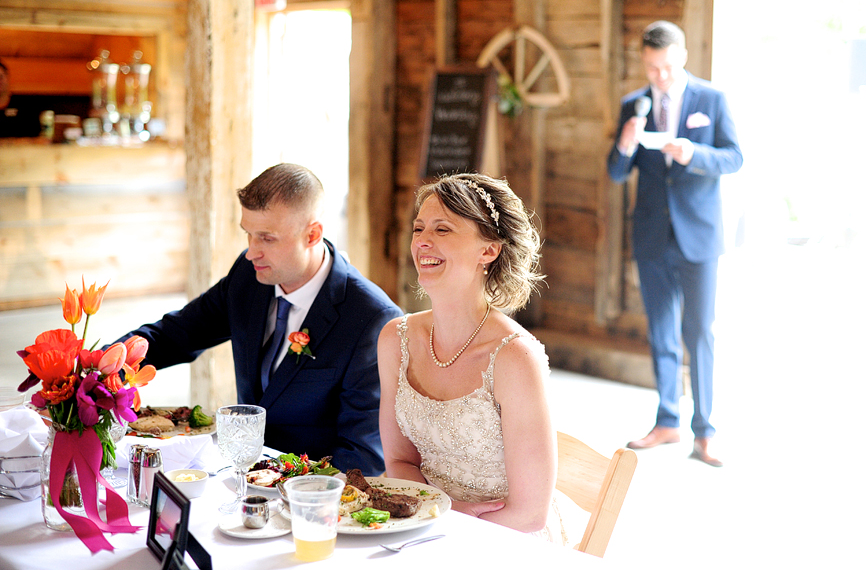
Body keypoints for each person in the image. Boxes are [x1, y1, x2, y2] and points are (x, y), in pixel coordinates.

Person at [119, 163, 402, 475]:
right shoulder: (249, 275)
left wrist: (283, 491)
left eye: (267, 238)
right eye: (248, 235)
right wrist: (97, 368)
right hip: (236, 477)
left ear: (312, 234)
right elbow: (176, 334)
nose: (251, 251)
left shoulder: (372, 319)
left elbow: (361, 456)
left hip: (308, 500)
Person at [377, 173, 573, 543]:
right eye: (419, 229)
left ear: (489, 250)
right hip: (423, 522)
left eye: (443, 229)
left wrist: (451, 523)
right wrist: (436, 512)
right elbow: (400, 462)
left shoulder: (514, 357)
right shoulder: (395, 340)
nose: (422, 242)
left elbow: (529, 515)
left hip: (503, 537)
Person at [607, 21, 742, 467]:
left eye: (665, 67)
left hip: (699, 237)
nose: (659, 76)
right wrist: (626, 145)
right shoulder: (633, 103)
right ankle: (667, 420)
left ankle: (706, 431)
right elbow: (615, 172)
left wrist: (694, 154)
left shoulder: (712, 99)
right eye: (651, 68)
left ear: (681, 56)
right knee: (661, 331)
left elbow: (734, 157)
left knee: (699, 332)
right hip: (651, 237)